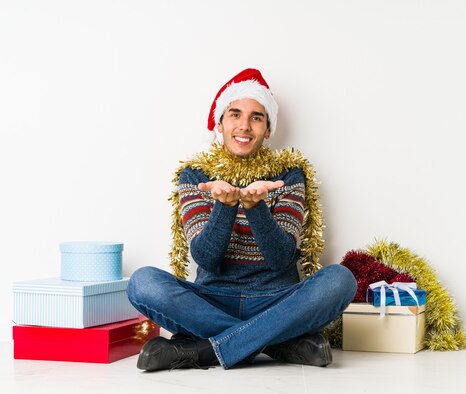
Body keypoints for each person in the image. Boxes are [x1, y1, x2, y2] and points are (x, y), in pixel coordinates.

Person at [127, 68, 357, 371]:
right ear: (220, 123)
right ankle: (279, 342)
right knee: (143, 283)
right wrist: (226, 205)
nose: (245, 126)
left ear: (268, 129)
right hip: (211, 300)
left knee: (340, 281)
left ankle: (204, 350)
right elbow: (206, 259)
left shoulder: (288, 174)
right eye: (235, 114)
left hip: (277, 299)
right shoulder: (196, 176)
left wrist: (254, 207)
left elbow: (281, 259)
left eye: (256, 117)